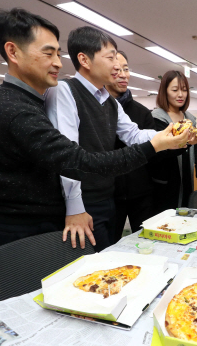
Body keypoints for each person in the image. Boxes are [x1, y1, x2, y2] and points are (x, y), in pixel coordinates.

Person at [0, 8, 188, 250]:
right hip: (25, 233)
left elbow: (132, 134)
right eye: (49, 53)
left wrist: (167, 136)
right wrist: (155, 145)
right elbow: (77, 161)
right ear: (13, 52)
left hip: (59, 216)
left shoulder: (33, 100)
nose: (58, 62)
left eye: (58, 53)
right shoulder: (17, 107)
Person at [45, 26, 167, 251]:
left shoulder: (109, 101)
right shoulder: (64, 91)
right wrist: (75, 208)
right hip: (83, 204)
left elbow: (133, 135)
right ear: (85, 59)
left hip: (107, 198)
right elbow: (67, 157)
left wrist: (171, 134)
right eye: (110, 57)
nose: (117, 65)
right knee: (94, 272)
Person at [106, 51, 157, 242]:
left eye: (126, 69)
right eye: (116, 69)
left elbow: (146, 145)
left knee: (145, 243)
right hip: (109, 194)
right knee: (108, 245)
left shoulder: (141, 112)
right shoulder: (96, 108)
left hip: (140, 191)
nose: (123, 74)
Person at [151, 70, 197, 212]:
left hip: (186, 176)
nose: (180, 94)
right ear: (165, 92)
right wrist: (188, 142)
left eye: (184, 90)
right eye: (175, 90)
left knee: (185, 212)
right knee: (167, 218)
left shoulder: (189, 118)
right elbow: (162, 151)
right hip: (165, 179)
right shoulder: (157, 118)